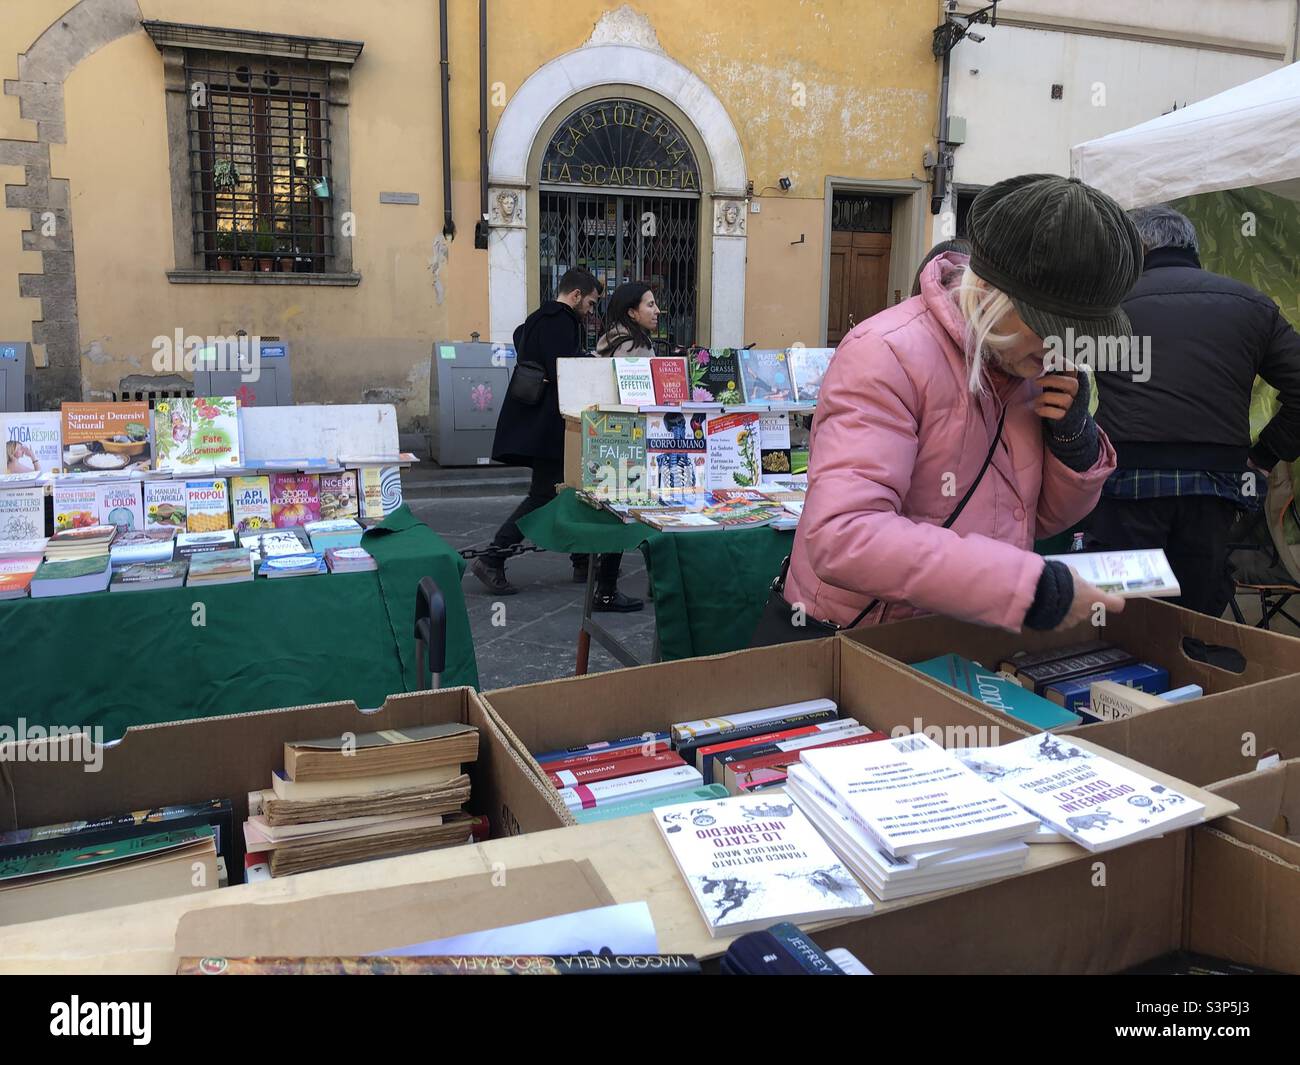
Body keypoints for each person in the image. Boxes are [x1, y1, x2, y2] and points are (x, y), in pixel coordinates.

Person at [757, 174, 1140, 643]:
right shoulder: (885, 352)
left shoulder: (1031, 367)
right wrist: (1022, 586)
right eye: (1052, 326)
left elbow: (1030, 522)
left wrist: (1073, 443)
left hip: (969, 635)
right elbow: (844, 537)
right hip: (862, 641)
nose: (1067, 350)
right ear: (989, 294)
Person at [1086, 205, 1300, 617]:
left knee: (1121, 613)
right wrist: (1265, 455)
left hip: (1125, 485)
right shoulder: (1252, 305)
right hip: (1217, 489)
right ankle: (1197, 674)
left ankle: (1118, 678)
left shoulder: (1103, 307)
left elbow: (1058, 384)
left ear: (1137, 247)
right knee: (1195, 616)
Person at [471, 267, 623, 603]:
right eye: (591, 302)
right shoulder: (561, 320)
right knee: (544, 494)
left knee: (572, 489)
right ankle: (492, 557)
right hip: (550, 426)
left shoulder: (539, 317)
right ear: (575, 295)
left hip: (538, 425)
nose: (591, 309)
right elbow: (565, 373)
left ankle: (582, 561)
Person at [594, 282, 659, 357]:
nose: (657, 310)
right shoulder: (636, 347)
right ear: (631, 313)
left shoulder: (613, 339)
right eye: (650, 305)